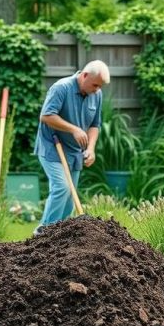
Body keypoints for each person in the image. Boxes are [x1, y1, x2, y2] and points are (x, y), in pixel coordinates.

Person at [33, 60, 109, 233]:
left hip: (75, 152)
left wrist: (90, 149)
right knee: (62, 187)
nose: (97, 89)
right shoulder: (61, 88)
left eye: (100, 86)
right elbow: (46, 116)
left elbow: (94, 125)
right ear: (84, 76)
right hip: (53, 146)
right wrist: (73, 129)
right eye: (95, 85)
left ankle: (61, 237)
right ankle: (43, 232)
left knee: (69, 197)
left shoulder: (96, 94)